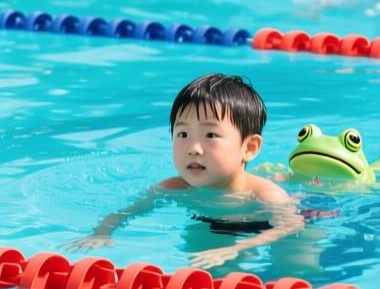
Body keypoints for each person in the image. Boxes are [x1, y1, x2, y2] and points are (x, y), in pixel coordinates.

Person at [66, 74, 303, 268]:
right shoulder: (173, 188)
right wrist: (102, 233)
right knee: (202, 265)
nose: (193, 148)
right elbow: (126, 212)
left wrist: (236, 248)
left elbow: (291, 225)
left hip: (263, 224)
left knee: (297, 261)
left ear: (249, 148)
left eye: (210, 135)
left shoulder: (265, 195)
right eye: (182, 134)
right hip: (210, 224)